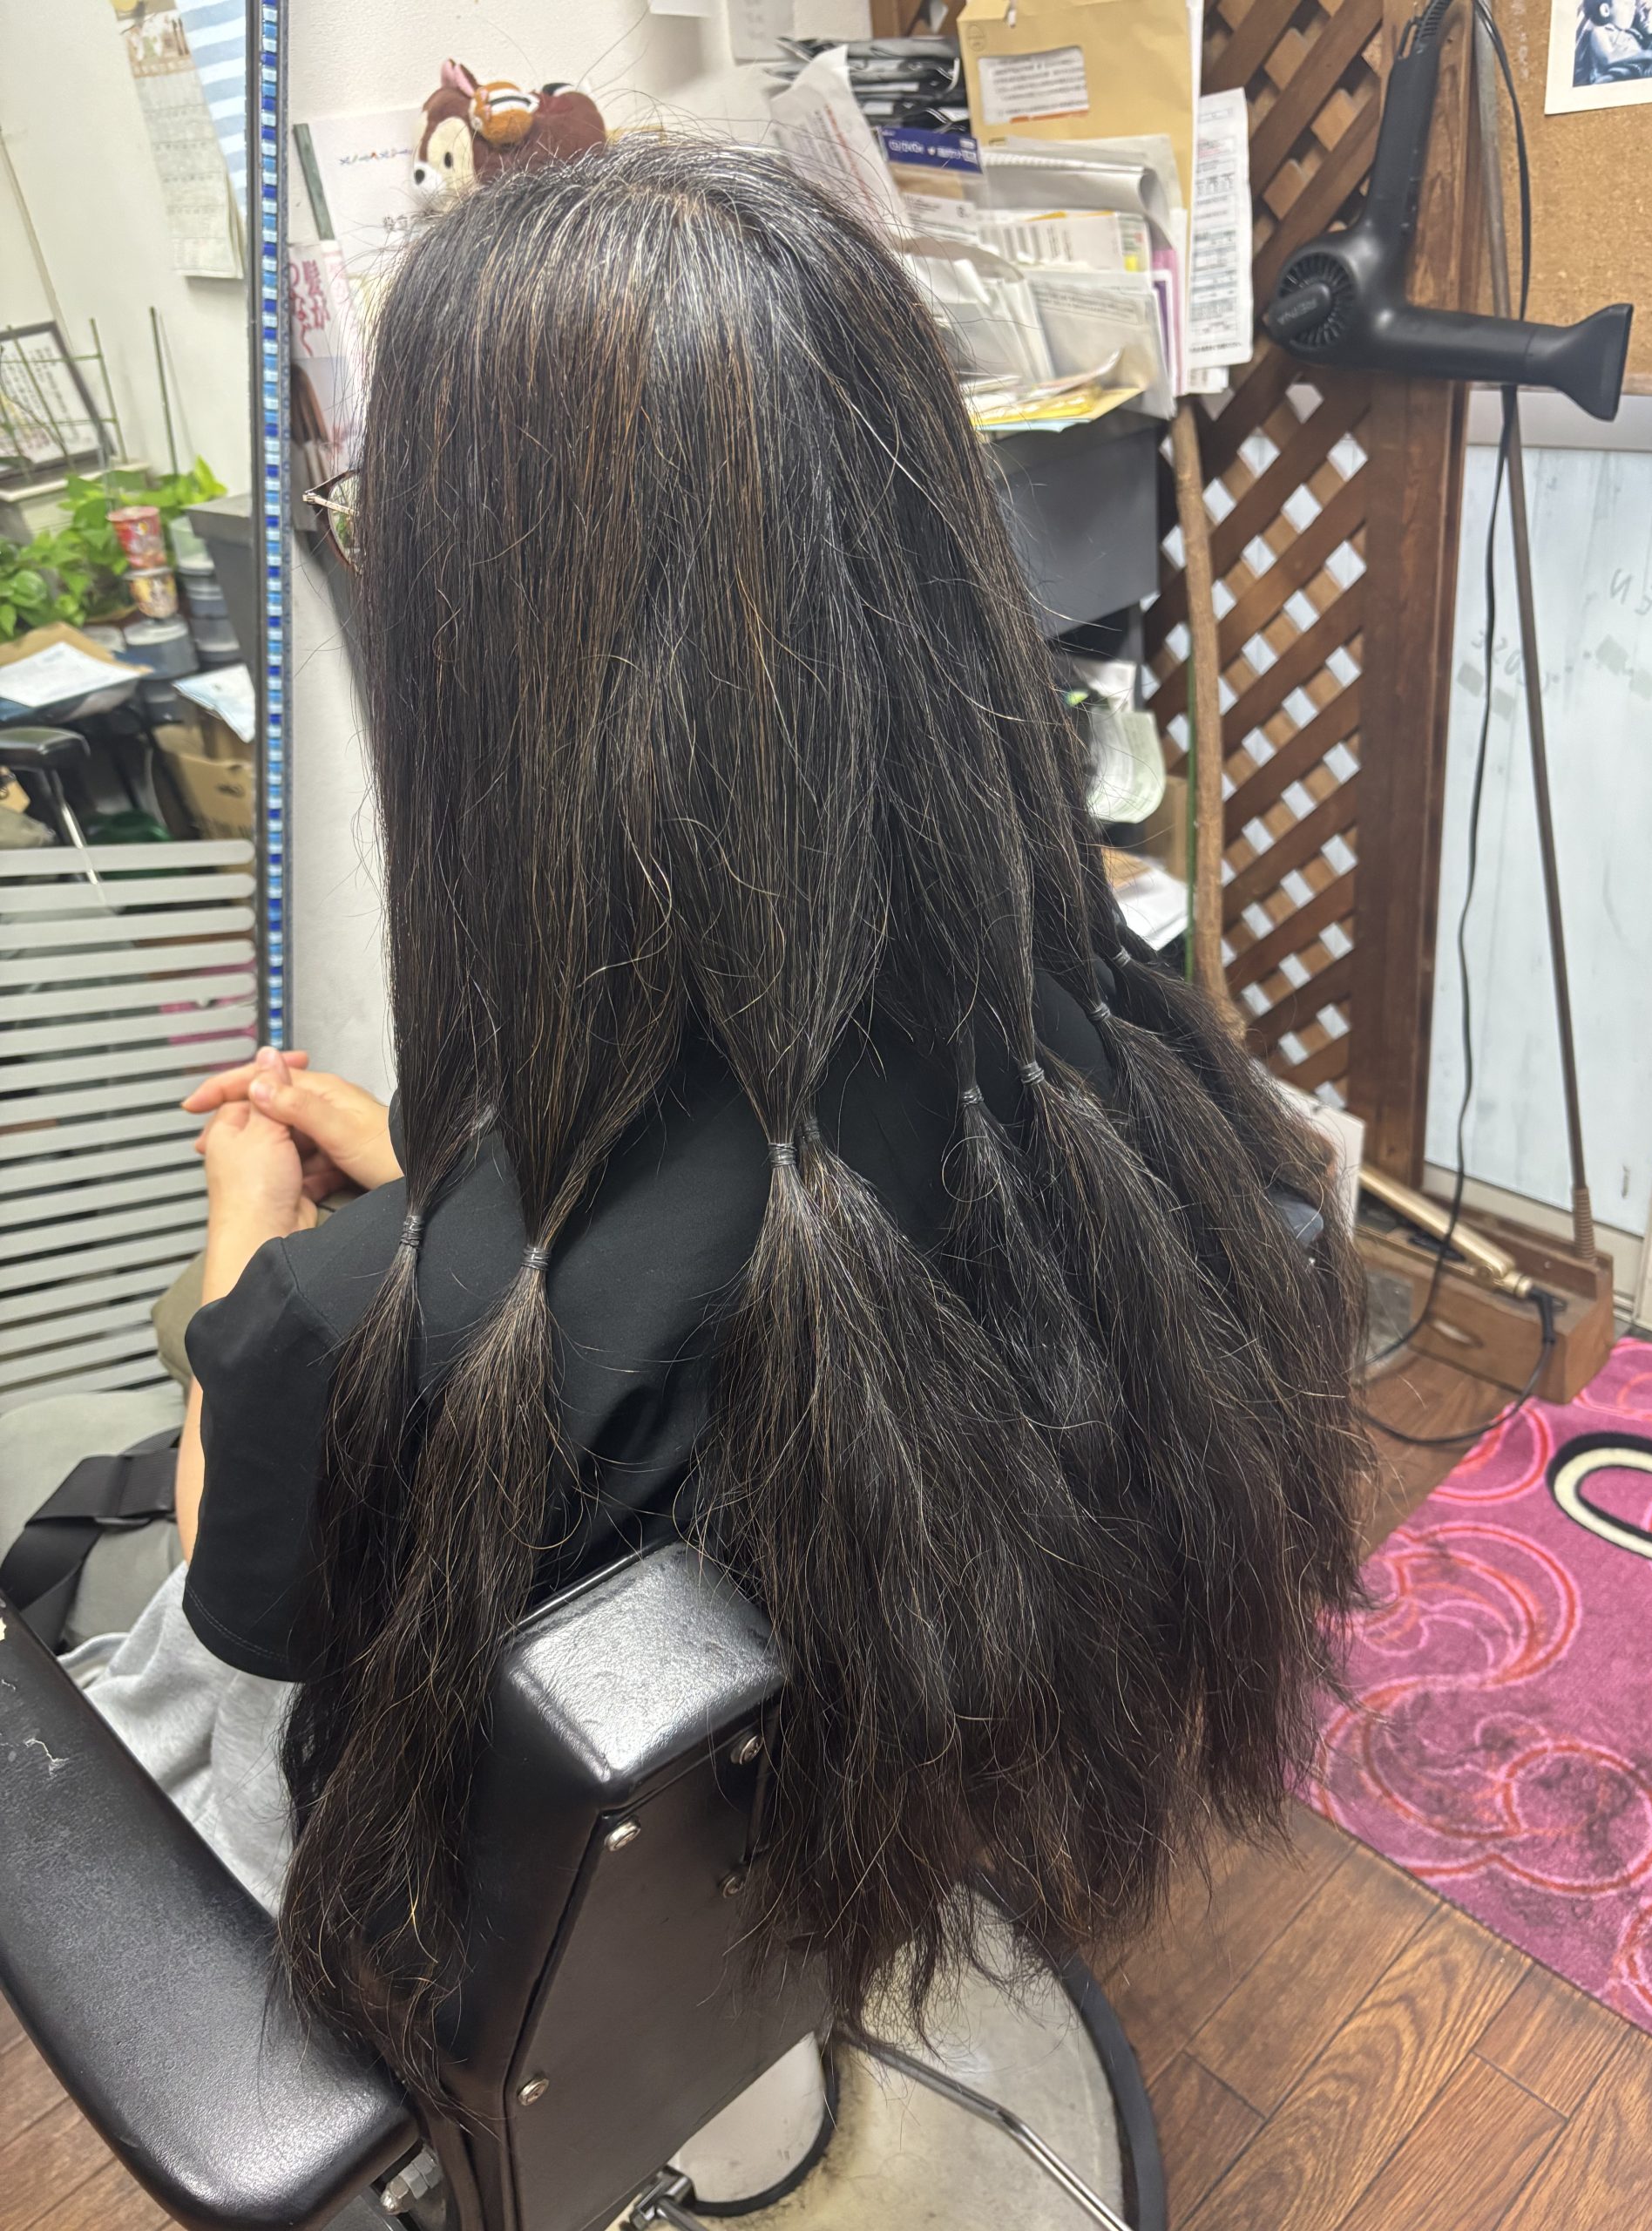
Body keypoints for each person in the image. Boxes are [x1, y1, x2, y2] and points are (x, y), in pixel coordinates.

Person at [92, 142, 1370, 2110]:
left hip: (459, 1960)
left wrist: (255, 1258)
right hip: (853, 1841)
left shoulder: (332, 1336)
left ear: (490, 652)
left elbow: (248, 1649)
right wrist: (449, 1211)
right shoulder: (1128, 1083)